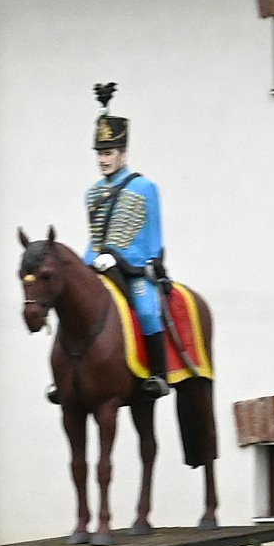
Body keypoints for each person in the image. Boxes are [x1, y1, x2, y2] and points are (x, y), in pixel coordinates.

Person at [84, 82, 170, 399]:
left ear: (123, 153)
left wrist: (131, 262)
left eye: (108, 153)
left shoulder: (143, 187)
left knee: (147, 310)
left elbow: (153, 236)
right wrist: (86, 263)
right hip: (100, 266)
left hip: (134, 268)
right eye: (99, 154)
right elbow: (94, 238)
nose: (103, 160)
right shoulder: (92, 193)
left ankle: (158, 376)